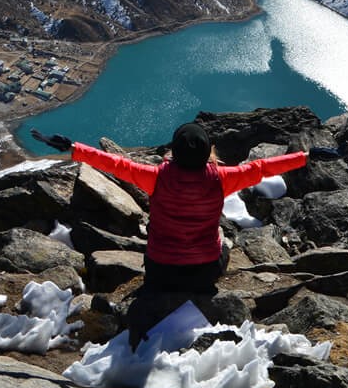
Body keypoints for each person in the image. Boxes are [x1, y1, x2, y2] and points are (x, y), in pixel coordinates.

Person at [32, 121, 320, 345]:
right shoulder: (222, 179)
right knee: (223, 245)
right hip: (203, 272)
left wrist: (73, 148)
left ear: (176, 152)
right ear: (208, 151)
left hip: (161, 271)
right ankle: (201, 292)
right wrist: (305, 157)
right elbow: (260, 168)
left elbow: (116, 164)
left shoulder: (157, 177)